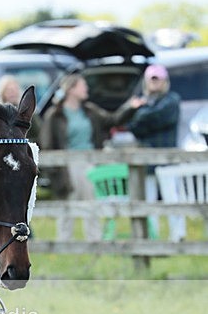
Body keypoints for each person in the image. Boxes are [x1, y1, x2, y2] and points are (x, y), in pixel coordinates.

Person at [39, 73, 139, 240]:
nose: (86, 89)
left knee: (91, 202)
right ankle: (64, 242)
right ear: (71, 89)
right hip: (67, 165)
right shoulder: (55, 115)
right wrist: (54, 172)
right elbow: (47, 144)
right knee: (68, 204)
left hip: (90, 162)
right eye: (82, 86)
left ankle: (94, 240)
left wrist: (131, 107)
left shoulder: (90, 111)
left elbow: (113, 119)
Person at [127, 64, 181, 239]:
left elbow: (158, 117)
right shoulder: (141, 101)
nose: (155, 83)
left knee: (172, 199)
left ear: (165, 81)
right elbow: (132, 126)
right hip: (147, 162)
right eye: (152, 80)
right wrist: (140, 117)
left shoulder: (172, 100)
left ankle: (178, 236)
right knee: (148, 201)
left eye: (158, 79)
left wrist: (140, 113)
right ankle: (152, 237)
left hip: (167, 160)